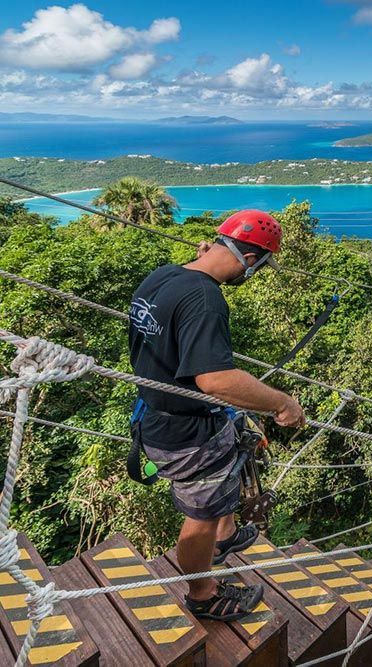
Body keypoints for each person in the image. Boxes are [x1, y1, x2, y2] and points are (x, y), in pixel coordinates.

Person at [128, 209, 305, 622]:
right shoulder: (206, 299)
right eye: (260, 266)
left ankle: (225, 537)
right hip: (187, 431)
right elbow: (215, 379)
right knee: (201, 514)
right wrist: (282, 402)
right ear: (252, 259)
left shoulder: (163, 276)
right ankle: (202, 594)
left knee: (229, 459)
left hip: (157, 414)